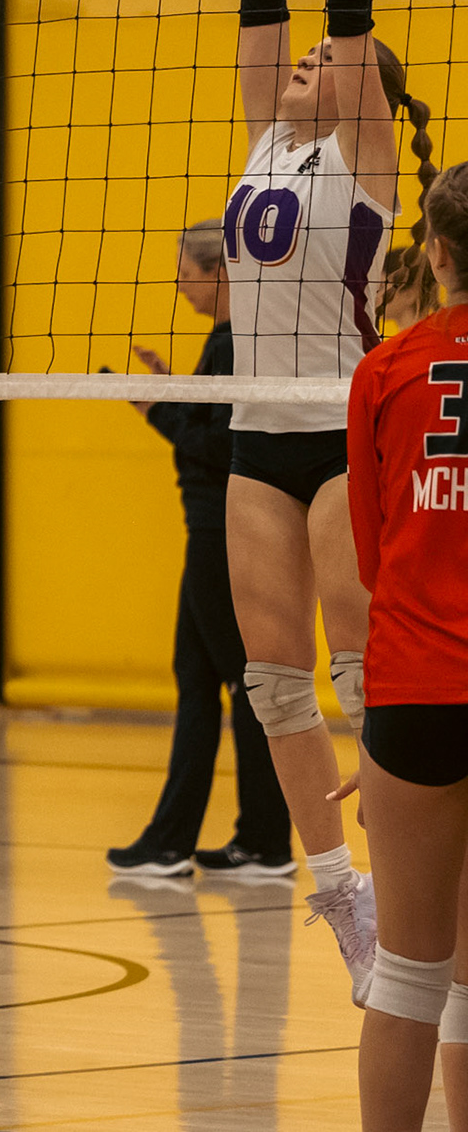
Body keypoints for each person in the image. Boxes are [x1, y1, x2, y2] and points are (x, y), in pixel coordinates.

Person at [227, 0, 438, 1003]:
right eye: (298, 56)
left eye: (325, 60)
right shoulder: (265, 134)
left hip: (338, 430)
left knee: (361, 677)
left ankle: (413, 878)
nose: (304, 57)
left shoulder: (361, 157)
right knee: (272, 683)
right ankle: (341, 892)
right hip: (256, 431)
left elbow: (346, 18)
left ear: (365, 94)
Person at [106, 220, 293, 879]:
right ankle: (184, 840)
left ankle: (260, 840)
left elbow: (222, 446)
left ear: (219, 272)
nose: (180, 285)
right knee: (198, 680)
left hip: (222, 533)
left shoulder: (237, 340)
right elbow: (217, 424)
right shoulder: (229, 340)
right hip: (213, 528)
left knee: (247, 683)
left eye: (186, 273)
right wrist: (174, 390)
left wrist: (155, 408)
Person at [344, 160, 468, 1129]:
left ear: (435, 251)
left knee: (409, 975)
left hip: (416, 690)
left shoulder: (384, 371)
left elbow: (372, 551)